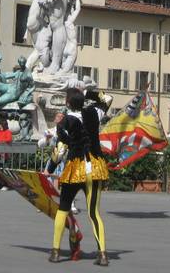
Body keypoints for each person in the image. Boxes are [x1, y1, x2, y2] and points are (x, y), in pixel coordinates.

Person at [50, 88, 111, 265]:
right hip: (95, 167)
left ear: (68, 102)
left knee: (63, 208)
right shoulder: (95, 113)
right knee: (94, 213)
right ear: (82, 100)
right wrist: (88, 92)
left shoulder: (64, 122)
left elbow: (59, 153)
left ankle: (55, 252)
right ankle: (103, 254)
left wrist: (50, 167)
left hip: (75, 168)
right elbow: (107, 98)